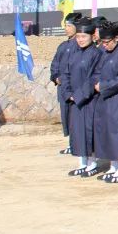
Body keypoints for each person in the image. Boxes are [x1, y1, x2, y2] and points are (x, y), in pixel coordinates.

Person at [94, 20, 118, 183]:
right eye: (102, 42)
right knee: (107, 131)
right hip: (105, 97)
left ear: (116, 38)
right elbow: (96, 70)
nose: (104, 45)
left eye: (107, 42)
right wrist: (97, 83)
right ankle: (113, 165)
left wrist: (104, 85)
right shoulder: (104, 52)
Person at [66, 19, 103, 177]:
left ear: (92, 36)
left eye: (83, 36)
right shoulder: (74, 53)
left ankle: (92, 163)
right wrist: (68, 93)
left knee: (89, 131)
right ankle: (82, 162)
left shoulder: (97, 54)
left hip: (89, 99)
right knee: (77, 131)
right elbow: (65, 73)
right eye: (78, 36)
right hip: (74, 99)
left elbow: (96, 77)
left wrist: (80, 95)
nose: (80, 39)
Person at [50, 12, 82, 155]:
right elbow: (55, 63)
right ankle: (70, 142)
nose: (66, 28)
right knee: (66, 116)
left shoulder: (80, 44)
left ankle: (76, 143)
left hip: (75, 87)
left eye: (69, 26)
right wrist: (55, 76)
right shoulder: (63, 46)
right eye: (66, 25)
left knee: (75, 116)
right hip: (63, 88)